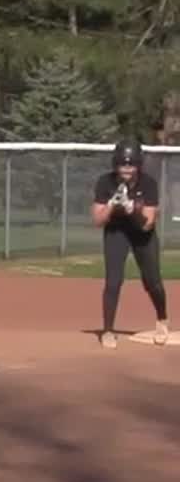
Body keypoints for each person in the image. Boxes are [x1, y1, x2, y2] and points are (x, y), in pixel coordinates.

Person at [92, 139, 167, 349]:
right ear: (115, 164)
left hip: (142, 234)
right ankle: (108, 330)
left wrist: (131, 208)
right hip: (116, 231)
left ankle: (162, 319)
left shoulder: (148, 183)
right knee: (113, 281)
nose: (126, 168)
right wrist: (111, 206)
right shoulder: (105, 182)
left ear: (138, 165)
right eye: (122, 164)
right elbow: (97, 220)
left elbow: (148, 223)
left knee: (152, 281)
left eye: (131, 164)